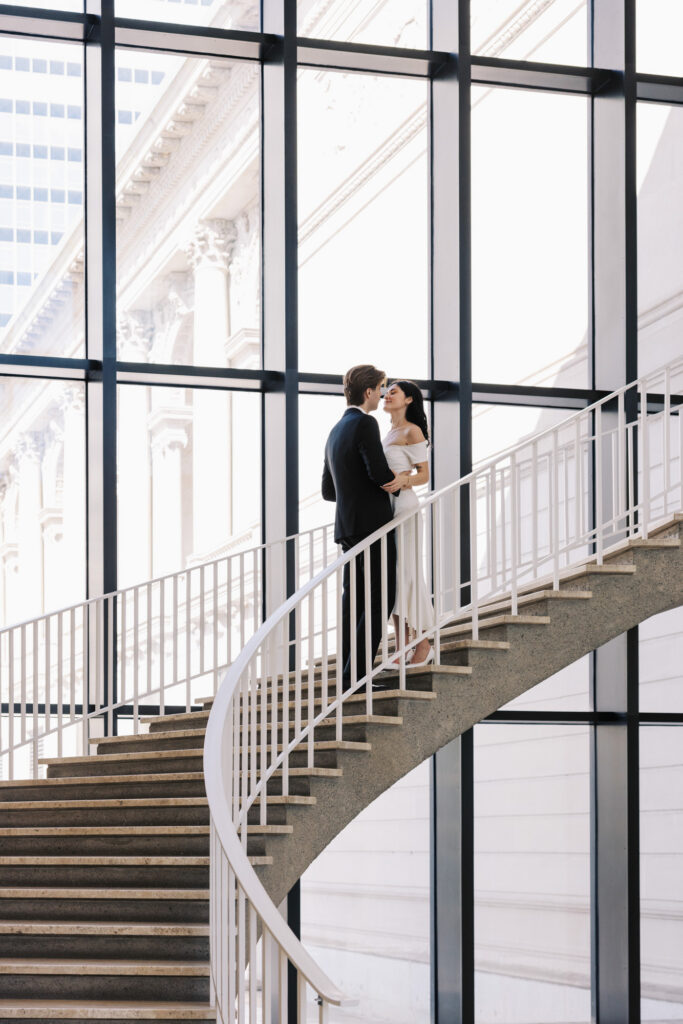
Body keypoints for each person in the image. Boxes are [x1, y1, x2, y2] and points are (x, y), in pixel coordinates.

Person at [322, 365, 402, 689]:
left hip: (348, 529)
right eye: (381, 389)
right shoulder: (366, 423)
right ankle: (358, 677)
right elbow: (380, 473)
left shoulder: (335, 431)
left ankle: (348, 678)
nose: (382, 394)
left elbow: (329, 491)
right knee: (381, 597)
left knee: (353, 603)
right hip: (373, 527)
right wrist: (400, 486)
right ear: (368, 392)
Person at [382, 380, 434, 666]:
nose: (387, 395)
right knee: (395, 577)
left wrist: (404, 479)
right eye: (386, 390)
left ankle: (419, 645)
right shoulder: (388, 432)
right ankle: (410, 645)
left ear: (410, 400)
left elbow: (424, 475)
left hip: (403, 505)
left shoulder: (411, 431)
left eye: (394, 391)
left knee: (406, 574)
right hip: (387, 509)